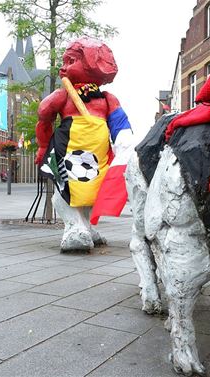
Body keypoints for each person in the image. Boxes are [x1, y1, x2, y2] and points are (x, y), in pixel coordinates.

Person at [35, 37, 134, 252]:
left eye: (70, 61)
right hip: (67, 148)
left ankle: (85, 226)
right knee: (66, 186)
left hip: (97, 154)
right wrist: (43, 147)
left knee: (93, 190)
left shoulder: (107, 99)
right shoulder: (63, 95)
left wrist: (125, 148)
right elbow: (44, 114)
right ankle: (73, 227)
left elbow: (120, 124)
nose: (63, 67)